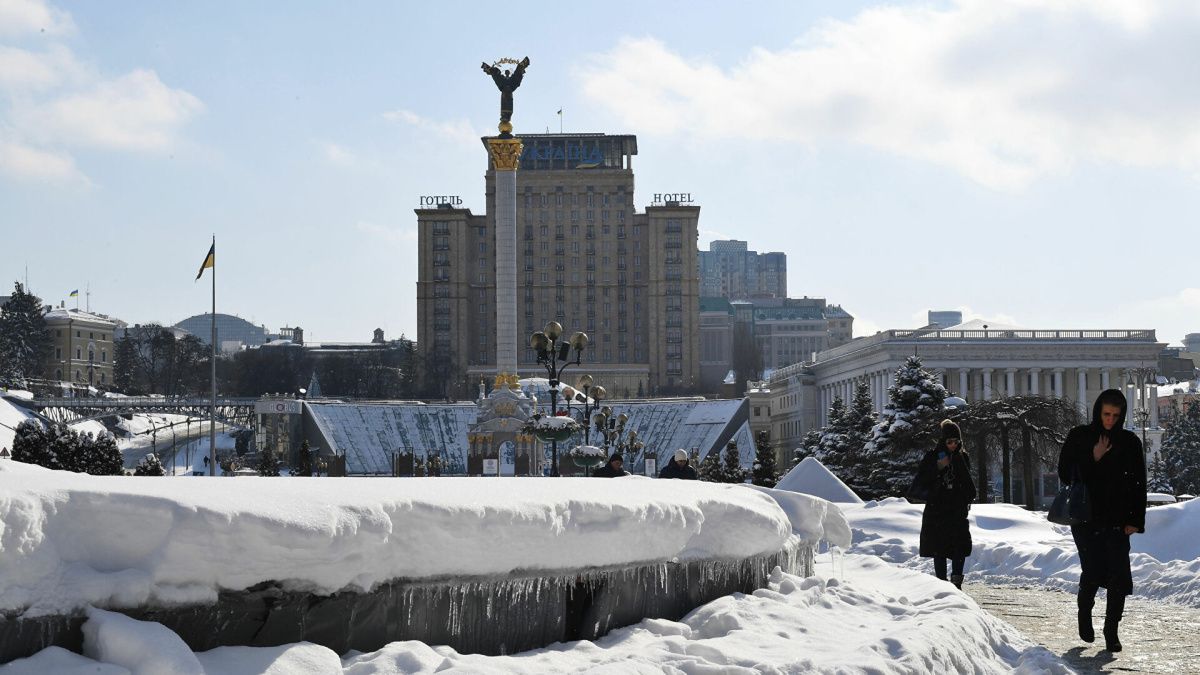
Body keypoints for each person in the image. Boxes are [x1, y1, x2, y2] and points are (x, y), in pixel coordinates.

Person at [1058, 389, 1145, 653]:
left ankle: (1111, 629)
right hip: (1086, 518)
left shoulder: (1129, 442)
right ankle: (1084, 612)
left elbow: (1139, 483)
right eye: (1106, 414)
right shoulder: (1080, 436)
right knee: (1093, 571)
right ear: (1098, 411)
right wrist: (1093, 457)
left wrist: (1136, 520)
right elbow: (1064, 473)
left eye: (1116, 416)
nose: (1110, 420)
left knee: (1119, 576)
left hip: (1118, 519)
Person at [909, 419, 976, 589]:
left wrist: (965, 498)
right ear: (943, 441)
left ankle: (957, 583)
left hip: (957, 510)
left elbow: (968, 483)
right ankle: (941, 584)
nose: (953, 445)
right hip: (937, 510)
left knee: (959, 547)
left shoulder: (962, 457)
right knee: (939, 548)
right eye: (949, 441)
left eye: (956, 442)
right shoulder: (933, 456)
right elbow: (921, 481)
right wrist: (938, 466)